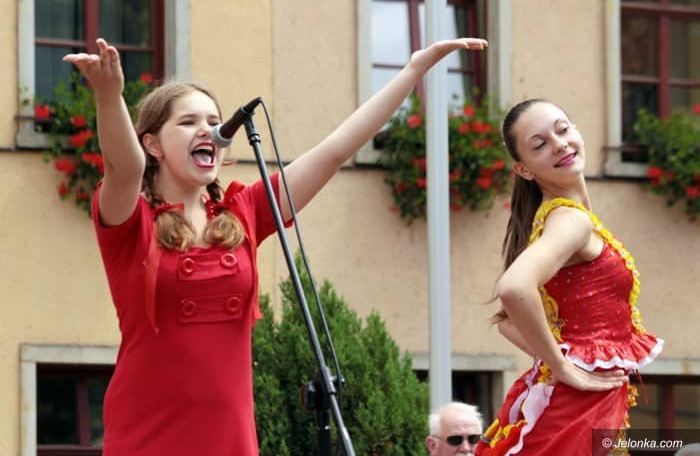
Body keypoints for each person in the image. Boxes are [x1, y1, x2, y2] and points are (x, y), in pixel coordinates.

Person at [63, 36, 488, 456]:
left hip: (229, 436)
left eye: (214, 120)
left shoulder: (244, 211)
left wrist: (413, 71)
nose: (208, 129)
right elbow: (126, 166)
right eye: (188, 122)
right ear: (153, 143)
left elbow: (336, 149)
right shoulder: (131, 220)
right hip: (148, 433)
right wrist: (109, 96)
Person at [475, 99, 664, 456]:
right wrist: (564, 368)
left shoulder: (561, 218)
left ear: (577, 131)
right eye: (539, 144)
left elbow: (508, 323)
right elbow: (513, 289)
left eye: (562, 130)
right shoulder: (570, 220)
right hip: (578, 408)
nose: (559, 144)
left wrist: (564, 361)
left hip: (584, 402)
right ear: (523, 169)